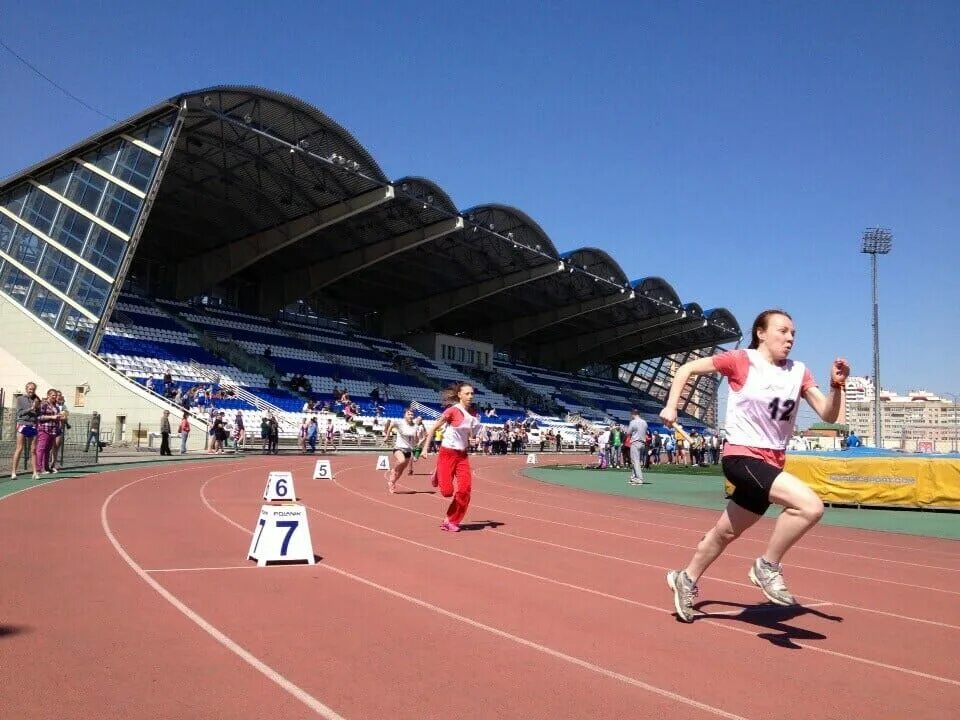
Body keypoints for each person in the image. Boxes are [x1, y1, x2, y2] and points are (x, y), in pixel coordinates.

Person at [662, 309, 849, 622]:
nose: (789, 338)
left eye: (793, 334)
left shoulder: (798, 372)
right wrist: (671, 405)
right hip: (741, 456)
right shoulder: (740, 360)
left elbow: (829, 416)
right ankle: (767, 566)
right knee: (810, 507)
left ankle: (686, 579)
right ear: (761, 333)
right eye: (782, 331)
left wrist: (835, 386)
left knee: (723, 534)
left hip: (772, 461)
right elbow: (687, 369)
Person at [419, 382, 481, 532]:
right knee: (447, 492)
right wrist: (425, 448)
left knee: (465, 490)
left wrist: (474, 440)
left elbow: (471, 437)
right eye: (467, 393)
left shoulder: (474, 415)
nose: (470, 396)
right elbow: (433, 428)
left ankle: (451, 520)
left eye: (472, 394)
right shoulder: (452, 411)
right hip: (447, 453)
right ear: (459, 395)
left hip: (462, 456)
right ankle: (438, 474)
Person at [382, 408, 419, 493]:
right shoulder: (400, 423)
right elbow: (391, 425)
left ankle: (392, 482)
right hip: (398, 448)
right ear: (405, 415)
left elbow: (416, 440)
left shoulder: (415, 426)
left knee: (401, 472)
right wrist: (387, 436)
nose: (410, 416)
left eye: (412, 414)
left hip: (408, 450)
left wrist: (416, 437)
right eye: (408, 414)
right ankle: (393, 470)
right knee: (401, 460)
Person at [627, 409, 648, 485]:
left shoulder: (633, 422)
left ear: (633, 414)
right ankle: (633, 478)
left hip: (635, 442)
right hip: (643, 443)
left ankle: (639, 478)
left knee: (635, 461)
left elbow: (628, 432)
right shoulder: (644, 422)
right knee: (636, 461)